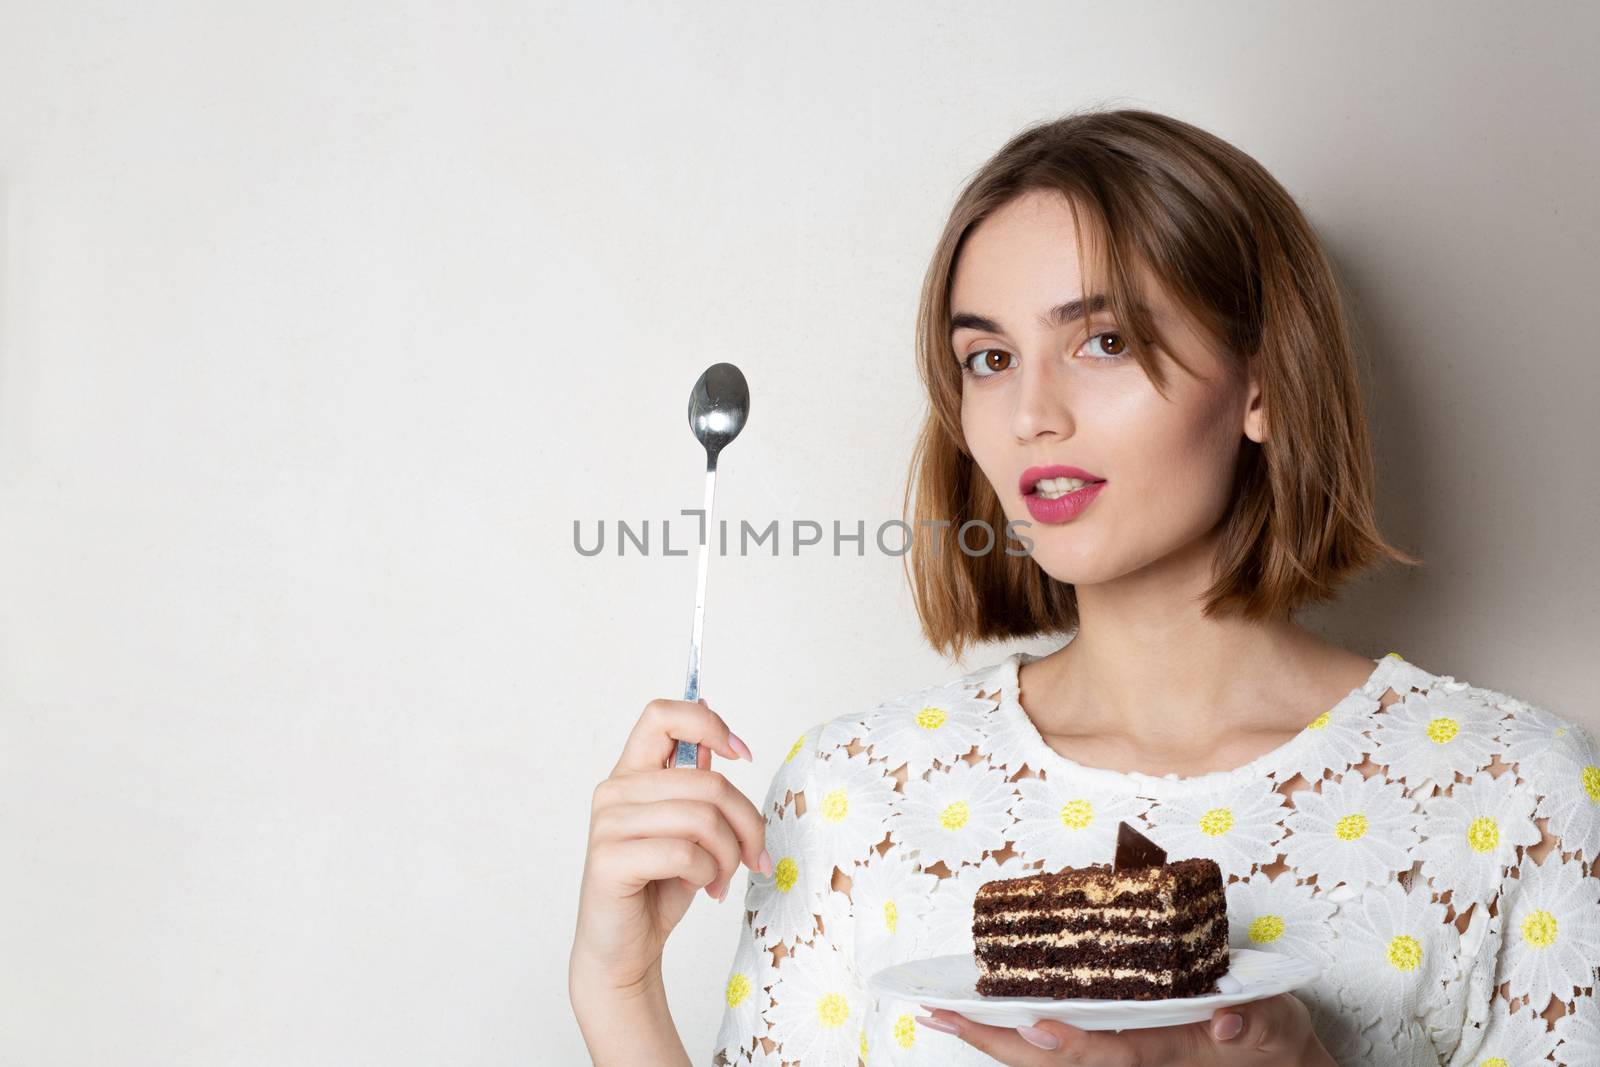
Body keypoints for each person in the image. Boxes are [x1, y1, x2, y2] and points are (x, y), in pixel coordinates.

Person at [569, 108, 1600, 1066]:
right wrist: (617, 989)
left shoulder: (1514, 795)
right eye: (987, 357)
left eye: (1101, 340)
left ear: (1261, 384)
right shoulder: (852, 793)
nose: (1030, 414)